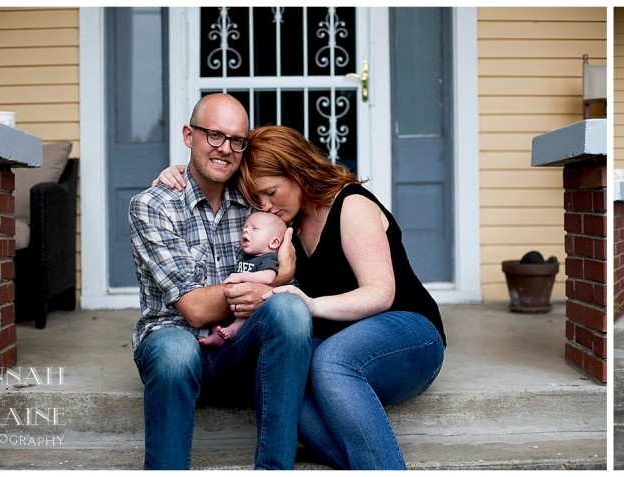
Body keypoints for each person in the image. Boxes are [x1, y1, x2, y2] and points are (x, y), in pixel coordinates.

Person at [156, 124, 447, 470]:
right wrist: (177, 174)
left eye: (271, 192)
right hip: (337, 339)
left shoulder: (350, 204)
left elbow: (381, 293)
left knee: (330, 363)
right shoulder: (285, 226)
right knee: (282, 377)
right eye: (256, 200)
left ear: (296, 170)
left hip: (407, 332)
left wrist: (310, 303)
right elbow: (213, 178)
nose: (266, 206)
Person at [128, 93, 312, 469]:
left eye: (236, 141)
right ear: (188, 135)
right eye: (214, 135)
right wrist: (277, 280)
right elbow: (194, 308)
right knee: (177, 350)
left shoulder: (253, 202)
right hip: (173, 341)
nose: (225, 149)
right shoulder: (153, 205)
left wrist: (279, 286)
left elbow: (294, 189)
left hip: (238, 347)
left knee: (291, 309)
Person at [198, 211, 287, 348]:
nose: (245, 230)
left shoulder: (267, 258)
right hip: (239, 303)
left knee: (243, 316)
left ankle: (232, 331)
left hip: (254, 307)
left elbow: (268, 277)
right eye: (244, 228)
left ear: (274, 242)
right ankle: (219, 334)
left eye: (254, 228)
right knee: (213, 317)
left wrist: (240, 277)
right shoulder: (248, 258)